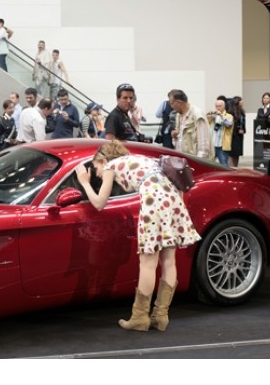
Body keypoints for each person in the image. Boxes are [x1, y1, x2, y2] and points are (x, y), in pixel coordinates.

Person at [75, 140, 201, 332]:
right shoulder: (139, 159)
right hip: (174, 202)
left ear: (103, 160)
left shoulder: (110, 165)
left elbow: (100, 203)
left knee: (147, 263)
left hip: (154, 204)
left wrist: (85, 182)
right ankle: (160, 316)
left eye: (96, 167)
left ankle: (140, 317)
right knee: (168, 262)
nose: (98, 173)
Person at [169, 89, 212, 160]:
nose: (171, 106)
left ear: (179, 102)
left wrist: (197, 165)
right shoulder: (178, 116)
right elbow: (180, 142)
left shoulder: (197, 115)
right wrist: (174, 137)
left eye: (172, 103)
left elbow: (203, 148)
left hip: (194, 163)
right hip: (183, 161)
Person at [207, 99, 234, 166]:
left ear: (224, 106)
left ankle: (227, 176)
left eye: (219, 106)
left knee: (224, 164)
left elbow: (229, 124)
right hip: (212, 144)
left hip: (222, 145)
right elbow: (206, 124)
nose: (218, 108)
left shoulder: (228, 116)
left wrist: (221, 115)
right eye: (216, 106)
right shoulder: (213, 116)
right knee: (209, 164)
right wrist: (208, 115)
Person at [228, 96, 246, 167]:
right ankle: (232, 168)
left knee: (237, 154)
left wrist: (243, 130)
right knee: (232, 154)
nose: (243, 102)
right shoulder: (231, 112)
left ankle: (235, 167)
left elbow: (243, 123)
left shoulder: (242, 112)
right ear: (238, 102)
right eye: (241, 101)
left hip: (240, 136)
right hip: (233, 135)